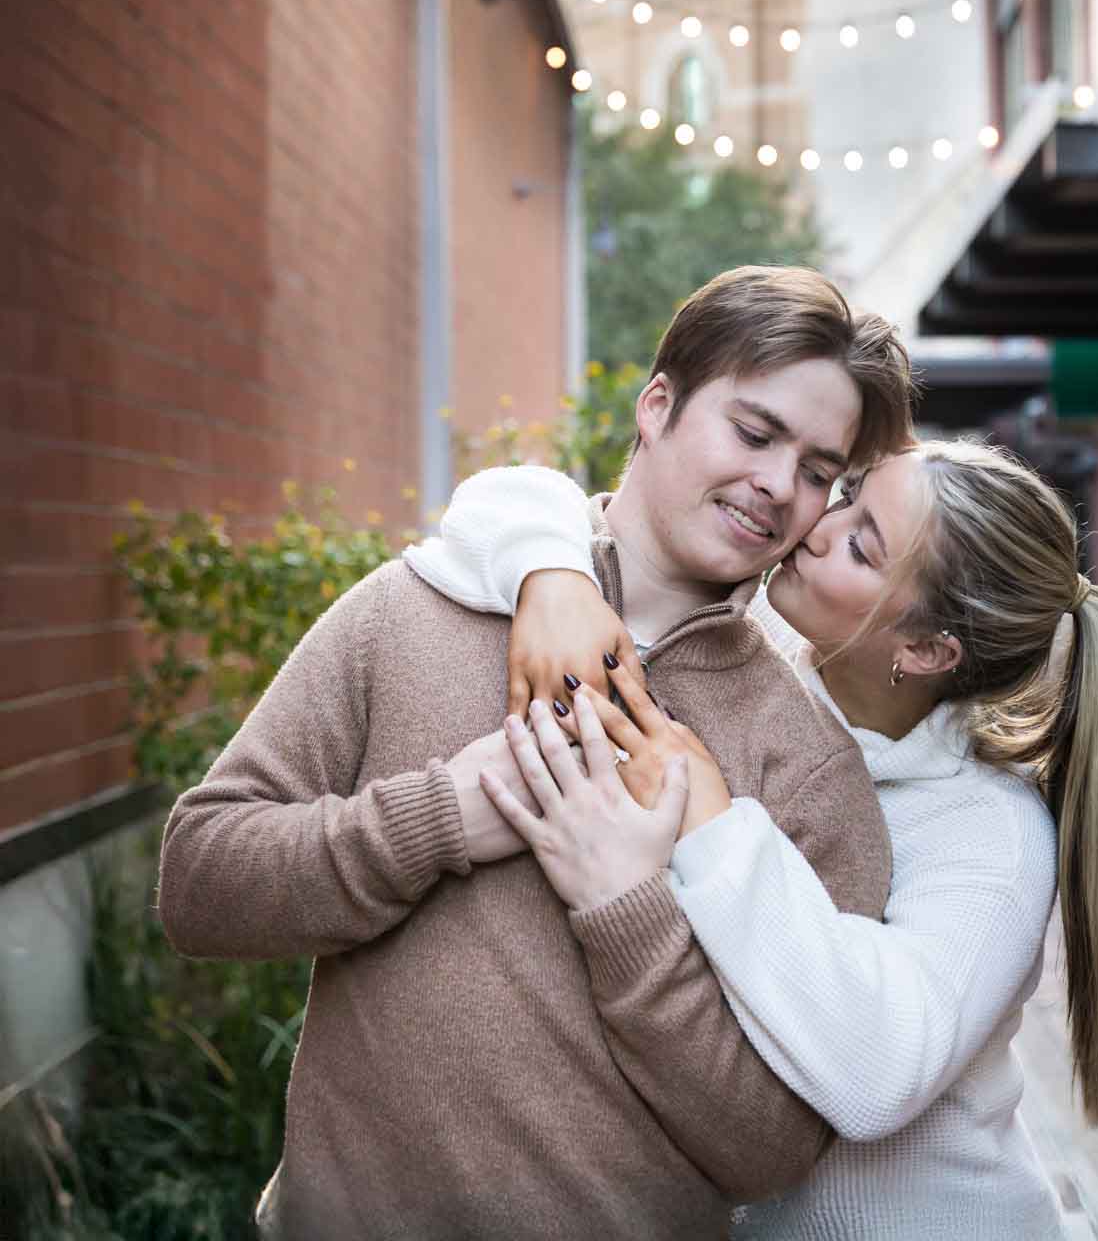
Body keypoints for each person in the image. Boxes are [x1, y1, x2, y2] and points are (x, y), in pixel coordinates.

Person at [156, 266, 917, 1240]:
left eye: (818, 469)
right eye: (755, 431)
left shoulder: (805, 759)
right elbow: (198, 882)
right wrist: (437, 817)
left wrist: (627, 914)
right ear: (658, 405)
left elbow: (774, 1146)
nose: (778, 485)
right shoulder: (418, 604)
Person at [441, 438, 1098, 1240]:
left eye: (860, 544)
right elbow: (503, 502)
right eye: (848, 495)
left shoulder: (989, 834)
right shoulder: (760, 667)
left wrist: (714, 824)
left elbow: (880, 1071)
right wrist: (554, 579)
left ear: (924, 650)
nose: (817, 524)